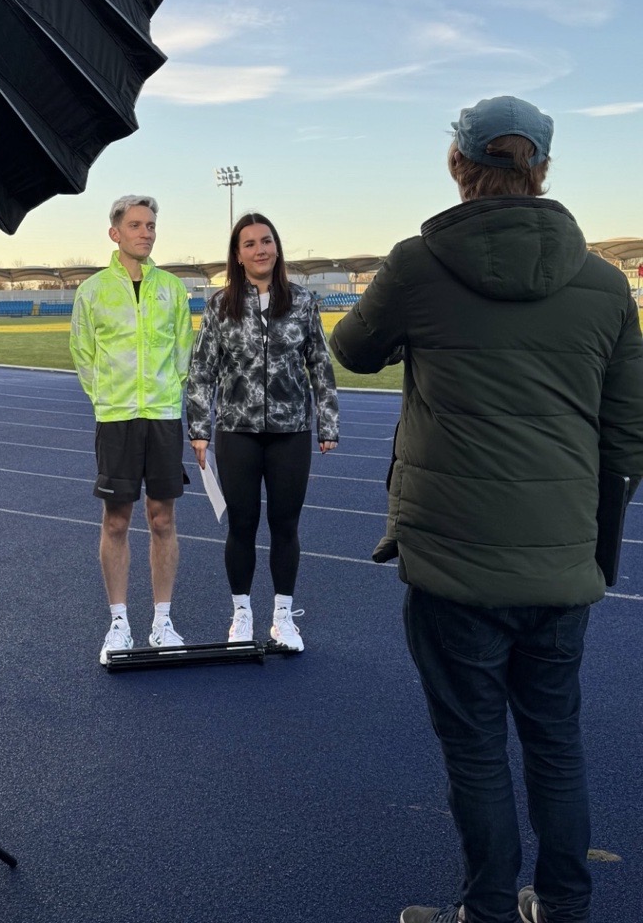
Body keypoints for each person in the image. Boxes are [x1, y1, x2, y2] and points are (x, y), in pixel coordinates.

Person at [329, 96, 643, 923]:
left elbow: (352, 349)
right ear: (542, 168)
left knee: (475, 752)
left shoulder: (416, 264)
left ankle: (490, 910)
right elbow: (628, 437)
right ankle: (568, 906)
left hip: (452, 563)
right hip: (562, 565)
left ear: (457, 166)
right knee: (556, 743)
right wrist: (590, 543)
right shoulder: (608, 285)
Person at [187, 212, 339, 650]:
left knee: (285, 524)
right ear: (237, 254)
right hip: (237, 429)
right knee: (242, 525)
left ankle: (283, 617)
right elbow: (202, 370)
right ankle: (241, 615)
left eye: (266, 241)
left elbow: (320, 366)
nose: (260, 249)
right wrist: (199, 427)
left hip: (291, 430)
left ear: (277, 247)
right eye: (250, 243)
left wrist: (327, 422)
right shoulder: (219, 305)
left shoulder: (303, 302)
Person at [70, 195, 193, 665]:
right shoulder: (94, 290)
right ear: (115, 233)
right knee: (116, 520)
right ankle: (119, 621)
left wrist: (168, 395)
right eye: (137, 225)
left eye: (152, 225)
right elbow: (82, 353)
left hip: (162, 416)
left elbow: (184, 350)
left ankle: (163, 621)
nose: (146, 232)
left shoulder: (172, 289)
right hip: (116, 418)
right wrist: (105, 397)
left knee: (163, 519)